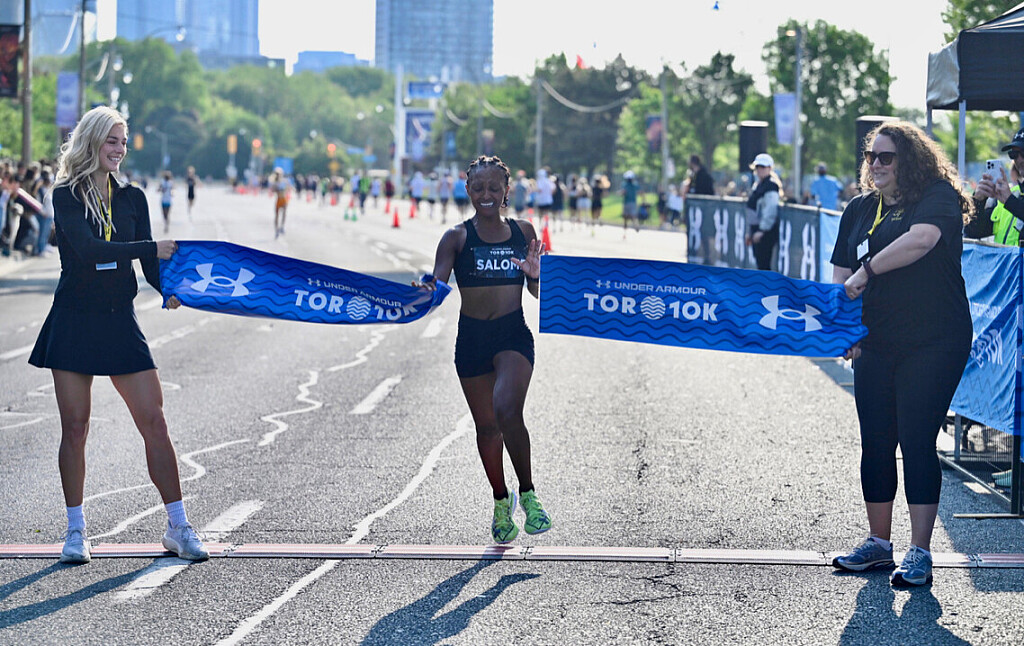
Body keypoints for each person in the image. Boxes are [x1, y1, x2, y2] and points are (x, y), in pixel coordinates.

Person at [27, 106, 208, 564]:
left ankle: (178, 526)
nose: (120, 149)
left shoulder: (133, 198)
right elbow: (88, 250)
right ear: (91, 141)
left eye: (123, 141)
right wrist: (151, 247)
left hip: (119, 320)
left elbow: (148, 265)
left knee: (154, 421)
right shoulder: (66, 194)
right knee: (75, 427)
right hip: (74, 319)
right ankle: (75, 531)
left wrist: (169, 289)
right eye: (112, 140)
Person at [830, 120, 973, 587]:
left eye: (886, 157)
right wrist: (845, 328)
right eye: (871, 156)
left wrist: (867, 271)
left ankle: (920, 552)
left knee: (915, 440)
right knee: (875, 441)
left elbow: (921, 240)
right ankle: (878, 544)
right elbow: (841, 273)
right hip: (877, 340)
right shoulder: (859, 208)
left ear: (908, 160)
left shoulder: (936, 196)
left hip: (935, 339)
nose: (875, 164)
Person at [418, 155, 552, 544]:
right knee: (487, 427)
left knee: (508, 411)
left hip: (512, 335)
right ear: (468, 191)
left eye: (494, 187)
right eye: (478, 188)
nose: (486, 194)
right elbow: (437, 287)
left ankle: (529, 494)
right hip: (472, 340)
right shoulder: (456, 238)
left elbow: (539, 293)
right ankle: (500, 499)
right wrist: (425, 289)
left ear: (507, 191)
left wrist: (536, 277)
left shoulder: (523, 231)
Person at [965, 126, 1024, 246]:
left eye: (1023, 153)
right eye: (1014, 154)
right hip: (1006, 260)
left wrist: (1010, 201)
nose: (1019, 159)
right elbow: (973, 232)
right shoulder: (1011, 195)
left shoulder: (1009, 199)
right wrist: (978, 201)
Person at [745, 153, 782, 271]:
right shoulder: (758, 185)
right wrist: (750, 231)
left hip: (765, 233)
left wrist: (762, 230)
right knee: (760, 265)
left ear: (770, 168)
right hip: (756, 230)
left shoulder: (771, 186)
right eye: (758, 167)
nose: (760, 170)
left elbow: (770, 210)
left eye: (763, 167)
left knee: (764, 265)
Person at [621, 171, 640, 236]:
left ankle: (625, 233)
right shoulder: (635, 184)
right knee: (633, 216)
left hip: (627, 202)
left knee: (625, 218)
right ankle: (635, 224)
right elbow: (640, 191)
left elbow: (623, 192)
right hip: (633, 202)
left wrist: (620, 193)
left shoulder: (625, 184)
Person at [272, 168, 290, 238]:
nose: (278, 175)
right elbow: (273, 190)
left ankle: (282, 226)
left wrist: (285, 189)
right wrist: (277, 189)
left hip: (284, 199)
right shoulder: (275, 182)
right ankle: (276, 229)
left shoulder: (284, 181)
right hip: (278, 199)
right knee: (277, 215)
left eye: (279, 174)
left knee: (284, 213)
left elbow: (288, 188)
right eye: (277, 174)